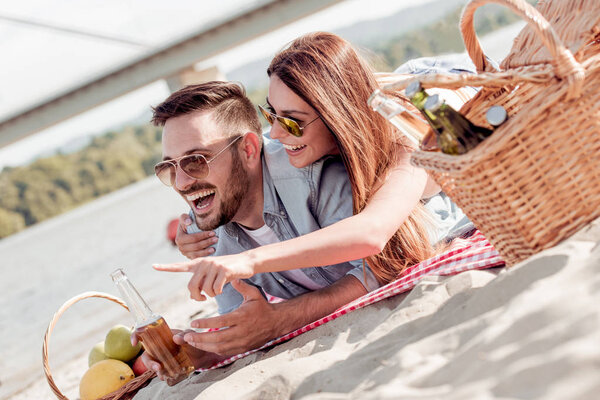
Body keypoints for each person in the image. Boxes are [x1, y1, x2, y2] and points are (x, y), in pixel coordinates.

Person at [163, 32, 470, 298]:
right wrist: (197, 227)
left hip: (446, 96)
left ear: (337, 116)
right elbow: (240, 164)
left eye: (291, 122)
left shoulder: (403, 137)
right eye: (272, 115)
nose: (277, 133)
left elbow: (372, 232)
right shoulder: (304, 145)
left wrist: (250, 260)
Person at [142, 80, 381, 372]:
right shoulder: (205, 230)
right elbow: (244, 320)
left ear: (249, 149)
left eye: (196, 160)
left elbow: (381, 269)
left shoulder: (311, 175)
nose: (181, 183)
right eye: (169, 167)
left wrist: (281, 319)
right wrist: (201, 351)